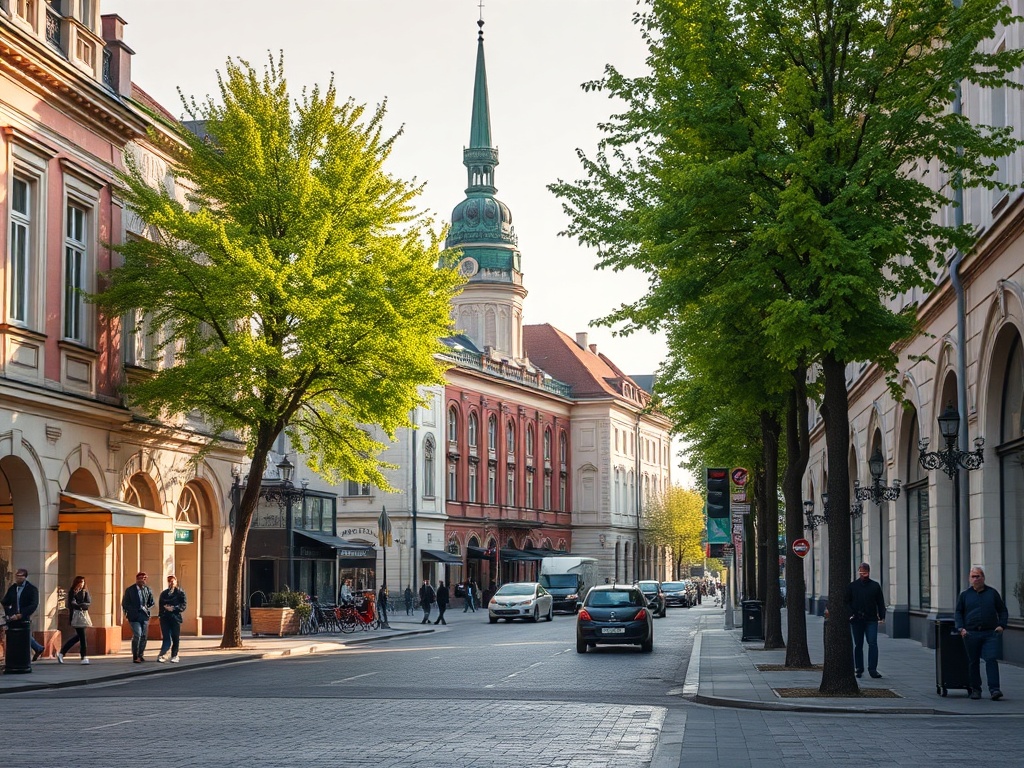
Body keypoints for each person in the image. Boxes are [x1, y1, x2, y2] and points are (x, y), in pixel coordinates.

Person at [955, 565, 1009, 700]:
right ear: (969, 579)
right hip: (971, 634)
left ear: (983, 578)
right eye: (973, 576)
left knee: (991, 659)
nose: (976, 579)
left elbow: (1002, 610)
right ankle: (975, 689)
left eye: (978, 576)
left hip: (990, 633)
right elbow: (958, 612)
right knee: (973, 662)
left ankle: (995, 690)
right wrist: (961, 628)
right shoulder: (965, 595)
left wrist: (1002, 625)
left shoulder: (992, 593)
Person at [845, 562, 886, 679]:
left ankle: (872, 669)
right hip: (856, 619)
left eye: (866, 573)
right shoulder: (852, 586)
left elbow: (880, 602)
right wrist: (851, 614)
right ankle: (859, 668)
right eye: (862, 573)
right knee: (858, 644)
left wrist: (882, 615)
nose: (864, 575)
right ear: (859, 572)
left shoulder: (875, 586)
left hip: (871, 619)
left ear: (869, 572)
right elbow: (846, 601)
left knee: (872, 643)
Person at [1, 567, 46, 662]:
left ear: (25, 577)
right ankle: (38, 648)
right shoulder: (13, 588)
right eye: (17, 576)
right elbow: (5, 601)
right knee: (20, 635)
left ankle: (35, 650)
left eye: (20, 577)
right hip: (13, 616)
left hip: (25, 615)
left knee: (24, 634)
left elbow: (33, 604)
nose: (18, 578)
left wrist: (22, 614)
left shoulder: (31, 589)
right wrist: (9, 613)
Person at [121, 571, 155, 663]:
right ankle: (135, 656)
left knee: (144, 636)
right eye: (140, 578)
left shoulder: (147, 589)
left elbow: (152, 602)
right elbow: (125, 603)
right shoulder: (130, 590)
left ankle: (141, 655)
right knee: (137, 635)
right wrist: (130, 611)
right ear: (137, 579)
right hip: (134, 617)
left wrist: (147, 608)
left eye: (144, 578)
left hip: (144, 616)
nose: (142, 580)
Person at [57, 576, 91, 665]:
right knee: (82, 638)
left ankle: (62, 653)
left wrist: (80, 605)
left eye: (83, 582)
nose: (82, 583)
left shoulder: (85, 592)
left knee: (78, 637)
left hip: (83, 617)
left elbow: (88, 603)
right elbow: (72, 604)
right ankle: (83, 657)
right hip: (75, 617)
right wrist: (80, 605)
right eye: (80, 582)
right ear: (76, 582)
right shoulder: (72, 592)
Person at [157, 574, 187, 663]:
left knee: (175, 637)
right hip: (165, 618)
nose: (171, 582)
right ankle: (162, 655)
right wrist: (164, 610)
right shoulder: (164, 593)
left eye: (172, 581)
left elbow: (183, 605)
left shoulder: (180, 593)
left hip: (175, 618)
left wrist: (174, 608)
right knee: (166, 637)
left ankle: (175, 655)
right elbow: (161, 604)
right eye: (169, 581)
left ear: (176, 582)